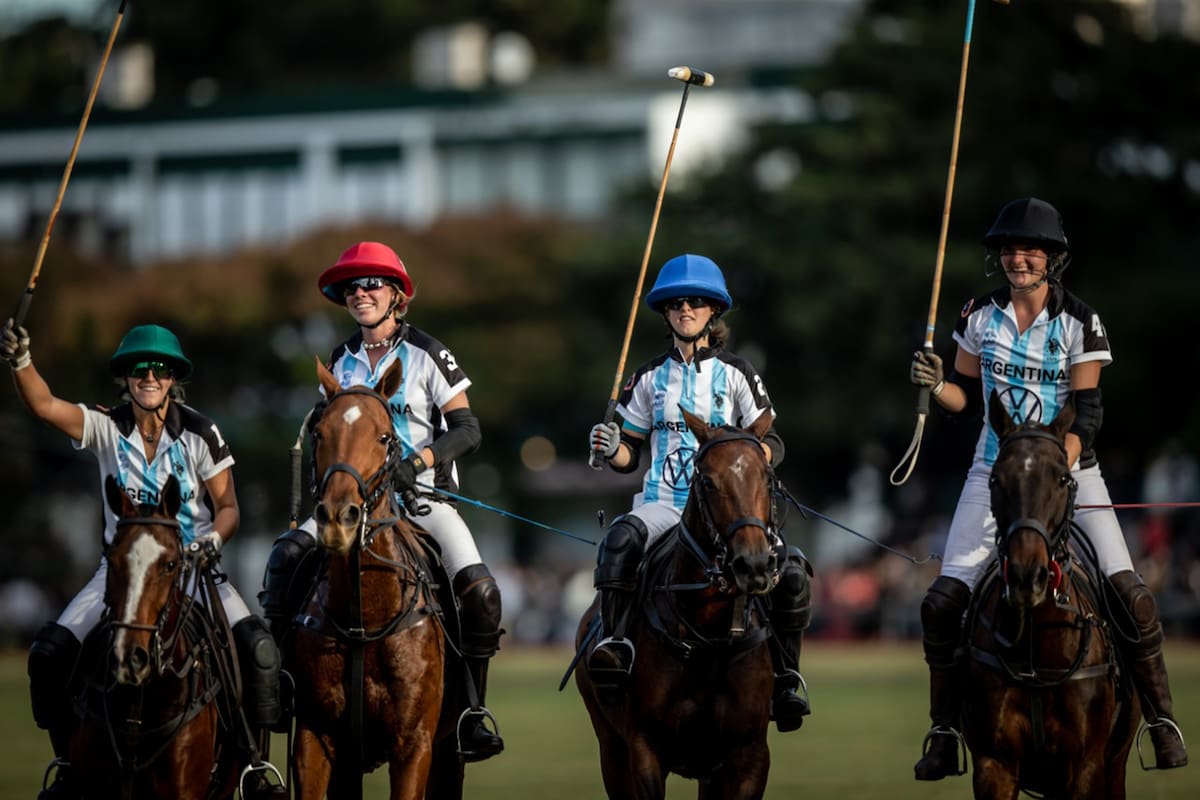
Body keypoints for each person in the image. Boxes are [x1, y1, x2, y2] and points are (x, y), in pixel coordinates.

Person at [908, 197, 1188, 779]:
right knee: (942, 603)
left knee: (1132, 594)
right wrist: (936, 387)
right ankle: (943, 730)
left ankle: (1162, 720)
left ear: (1051, 258)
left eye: (1031, 250)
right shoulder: (978, 316)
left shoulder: (1080, 321)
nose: (1020, 259)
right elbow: (965, 400)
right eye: (1011, 249)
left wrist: (1053, 468)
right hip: (993, 473)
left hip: (1069, 473)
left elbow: (1088, 412)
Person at [0, 321, 284, 800]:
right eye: (139, 369)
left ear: (173, 378)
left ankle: (253, 769)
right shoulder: (106, 427)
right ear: (126, 378)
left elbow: (229, 507)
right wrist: (21, 362)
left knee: (259, 652)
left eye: (159, 369)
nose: (149, 377)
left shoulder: (200, 433)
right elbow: (44, 405)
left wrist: (212, 540)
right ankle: (68, 764)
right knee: (48, 654)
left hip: (193, 569)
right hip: (122, 572)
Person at [259, 241, 504, 762]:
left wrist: (418, 463)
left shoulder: (428, 353)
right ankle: (281, 689)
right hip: (350, 502)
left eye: (372, 283)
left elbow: (467, 429)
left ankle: (470, 710)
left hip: (420, 500)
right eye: (352, 286)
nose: (361, 293)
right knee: (283, 559)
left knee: (481, 594)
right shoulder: (339, 360)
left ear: (397, 295)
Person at [586, 253, 813, 732]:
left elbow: (772, 441)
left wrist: (746, 458)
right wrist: (610, 447)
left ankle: (787, 675)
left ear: (713, 311)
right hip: (663, 504)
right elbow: (629, 454)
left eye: (695, 301)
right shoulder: (648, 377)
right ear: (665, 313)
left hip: (729, 513)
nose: (684, 309)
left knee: (791, 570)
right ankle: (617, 644)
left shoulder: (738, 373)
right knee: (619, 541)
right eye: (675, 303)